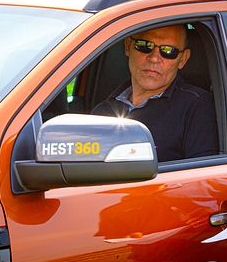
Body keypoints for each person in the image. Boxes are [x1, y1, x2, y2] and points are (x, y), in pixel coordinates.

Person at [92, 24, 218, 162]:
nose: (154, 58)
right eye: (144, 45)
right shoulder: (103, 110)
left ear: (183, 59)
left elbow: (203, 177)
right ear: (128, 46)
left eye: (169, 51)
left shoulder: (197, 107)